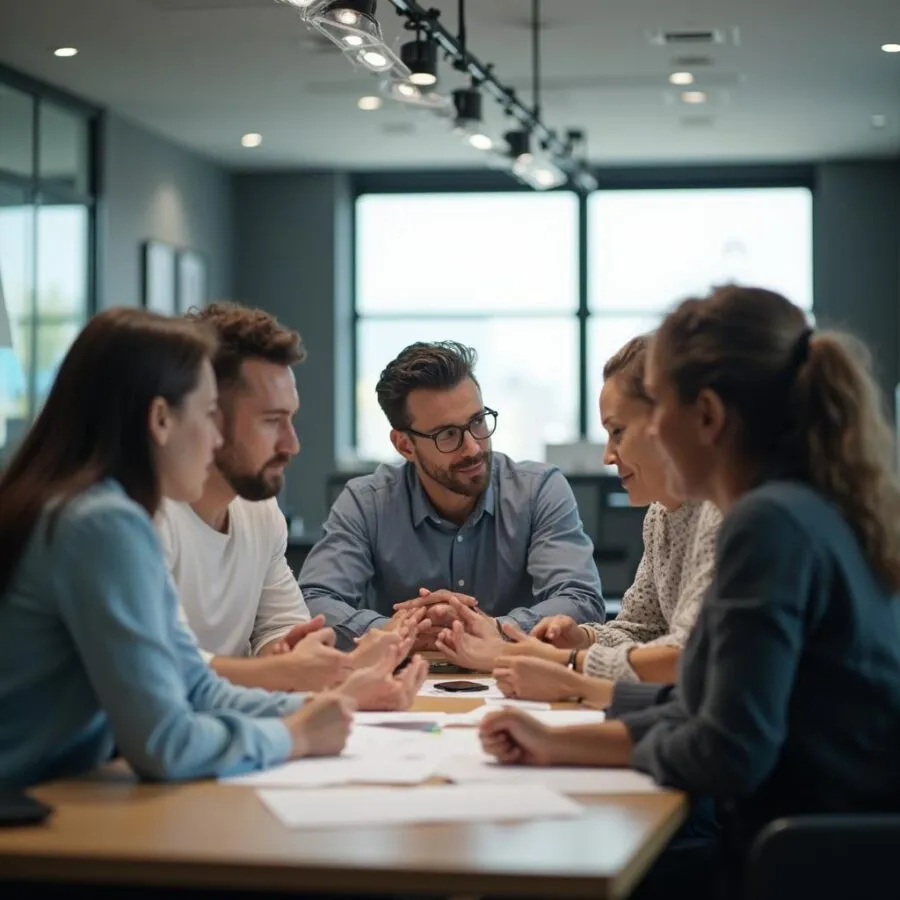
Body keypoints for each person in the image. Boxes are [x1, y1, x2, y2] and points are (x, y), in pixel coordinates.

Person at [478, 285, 900, 894]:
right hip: (817, 845)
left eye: (657, 411)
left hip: (800, 863)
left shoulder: (766, 524)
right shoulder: (808, 505)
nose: (646, 434)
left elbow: (726, 748)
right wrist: (552, 743)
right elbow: (707, 709)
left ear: (706, 415)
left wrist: (571, 714)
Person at [0, 308, 426, 788]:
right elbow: (165, 743)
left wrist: (330, 703)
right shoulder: (103, 524)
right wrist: (296, 735)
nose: (217, 436)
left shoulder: (102, 512)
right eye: (207, 414)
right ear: (161, 420)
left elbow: (193, 685)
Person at [157, 303, 422, 698]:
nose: (292, 445)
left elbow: (280, 630)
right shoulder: (144, 516)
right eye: (270, 421)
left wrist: (324, 662)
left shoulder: (259, 510)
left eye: (290, 419)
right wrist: (306, 679)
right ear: (207, 415)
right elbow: (163, 672)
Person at [435, 335, 720, 690]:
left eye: (618, 431)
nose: (608, 456)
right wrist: (581, 638)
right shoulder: (661, 514)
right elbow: (644, 629)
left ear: (668, 422)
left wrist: (559, 663)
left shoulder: (721, 512)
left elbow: (687, 655)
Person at [298, 340, 605, 651]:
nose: (472, 447)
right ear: (405, 445)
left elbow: (581, 599)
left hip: (516, 681)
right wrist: (394, 631)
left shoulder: (538, 490)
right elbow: (312, 600)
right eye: (447, 434)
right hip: (397, 684)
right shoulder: (366, 503)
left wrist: (495, 629)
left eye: (477, 421)